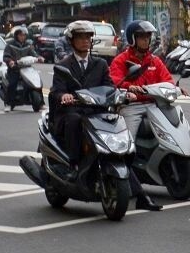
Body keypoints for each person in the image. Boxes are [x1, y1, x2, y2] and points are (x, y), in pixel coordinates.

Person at [108, 20, 172, 213]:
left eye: (148, 37)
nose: (146, 41)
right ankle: (129, 177)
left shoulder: (154, 60)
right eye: (142, 37)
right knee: (126, 146)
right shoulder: (121, 60)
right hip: (132, 106)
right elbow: (115, 80)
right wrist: (129, 87)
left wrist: (175, 88)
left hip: (154, 104)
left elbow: (167, 79)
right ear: (133, 39)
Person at [48, 21, 113, 165]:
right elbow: (57, 91)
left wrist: (123, 95)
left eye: (88, 38)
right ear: (71, 41)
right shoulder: (62, 65)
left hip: (95, 111)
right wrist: (64, 96)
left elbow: (109, 87)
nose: (85, 41)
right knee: (74, 120)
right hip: (72, 111)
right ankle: (74, 163)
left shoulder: (101, 64)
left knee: (116, 121)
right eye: (80, 38)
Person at [2, 25, 40, 107]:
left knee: (37, 81)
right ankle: (9, 103)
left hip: (27, 68)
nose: (22, 37)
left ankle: (41, 103)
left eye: (24, 35)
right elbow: (6, 56)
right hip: (14, 69)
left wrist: (39, 58)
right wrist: (10, 61)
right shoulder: (10, 45)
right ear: (16, 35)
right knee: (12, 83)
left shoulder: (28, 45)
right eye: (20, 35)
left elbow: (34, 54)